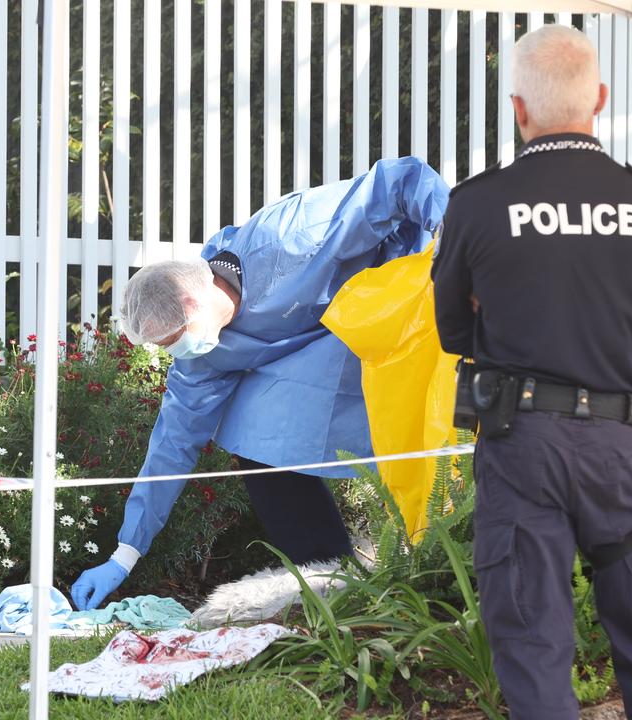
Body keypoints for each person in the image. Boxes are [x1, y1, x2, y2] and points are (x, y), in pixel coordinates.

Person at [431, 25, 632, 720]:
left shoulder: (478, 204)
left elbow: (452, 332)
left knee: (533, 643)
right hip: (620, 448)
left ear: (518, 108)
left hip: (523, 446)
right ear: (600, 99)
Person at [70, 157, 448, 612]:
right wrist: (125, 554)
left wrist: (455, 242)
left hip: (408, 307)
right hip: (329, 350)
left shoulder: (291, 236)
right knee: (251, 426)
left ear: (194, 299)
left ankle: (440, 561)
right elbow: (171, 445)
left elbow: (399, 182)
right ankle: (332, 584)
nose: (178, 354)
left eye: (174, 340)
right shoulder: (204, 355)